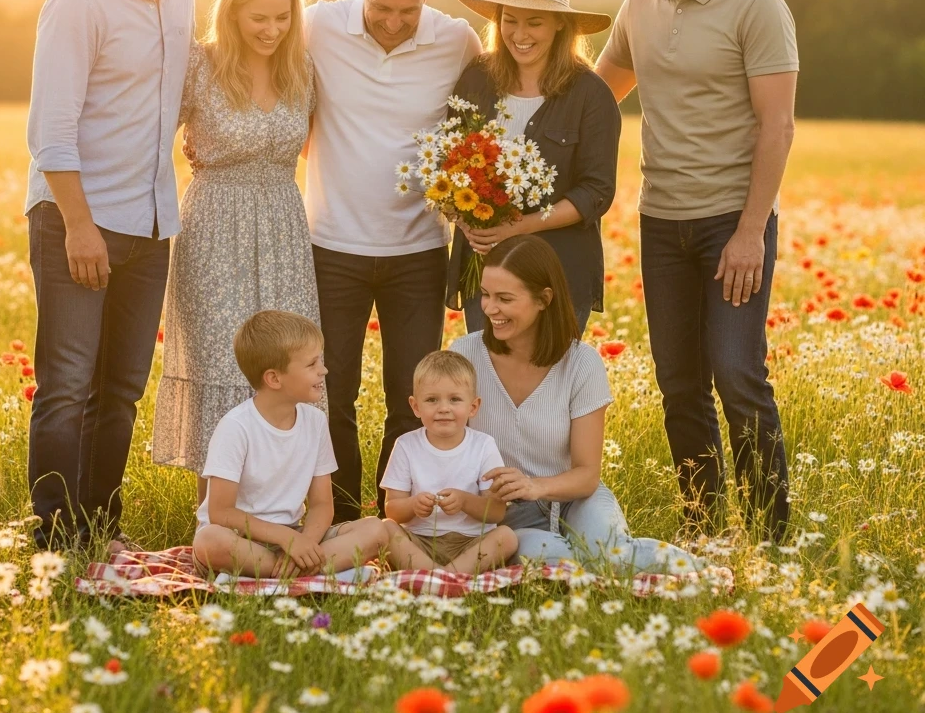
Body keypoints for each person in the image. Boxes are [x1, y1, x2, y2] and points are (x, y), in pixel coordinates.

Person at [595, 0, 796, 541]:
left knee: (737, 374)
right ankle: (702, 527)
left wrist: (748, 233)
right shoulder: (639, 6)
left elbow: (778, 127)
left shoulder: (756, 5)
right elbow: (599, 97)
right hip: (662, 222)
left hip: (730, 225)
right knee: (679, 383)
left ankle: (769, 536)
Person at [24, 0, 209, 551]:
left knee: (122, 389)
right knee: (68, 384)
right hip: (79, 218)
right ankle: (52, 535)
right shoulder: (81, 1)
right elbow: (50, 132)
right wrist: (78, 224)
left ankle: (100, 525)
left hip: (151, 222)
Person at [304, 0, 483, 521]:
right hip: (332, 244)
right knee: (331, 395)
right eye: (381, 7)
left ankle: (398, 520)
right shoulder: (318, 28)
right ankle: (343, 520)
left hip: (418, 252)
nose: (392, 21)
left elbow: (484, 125)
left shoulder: (457, 41)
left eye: (408, 10)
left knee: (416, 400)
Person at [153, 0, 320, 500]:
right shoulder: (200, 66)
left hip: (283, 228)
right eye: (259, 19)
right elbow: (148, 135)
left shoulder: (302, 69)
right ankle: (215, 514)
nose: (272, 31)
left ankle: (284, 506)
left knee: (288, 361)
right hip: (214, 227)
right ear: (233, 14)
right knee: (223, 362)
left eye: (282, 17)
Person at [449, 235, 704, 573]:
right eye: (486, 295)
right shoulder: (464, 355)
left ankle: (701, 571)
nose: (490, 309)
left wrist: (535, 486)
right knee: (556, 565)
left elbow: (586, 474)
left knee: (609, 559)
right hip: (501, 514)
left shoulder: (581, 363)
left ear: (544, 300)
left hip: (573, 500)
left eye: (505, 298)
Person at [448, 0, 621, 331]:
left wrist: (518, 227)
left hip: (556, 273)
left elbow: (596, 191)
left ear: (561, 24)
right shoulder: (477, 78)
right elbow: (450, 160)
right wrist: (462, 217)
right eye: (510, 19)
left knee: (549, 383)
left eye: (534, 21)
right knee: (489, 380)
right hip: (485, 271)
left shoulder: (590, 94)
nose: (519, 33)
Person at [192, 311, 390, 578]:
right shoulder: (236, 427)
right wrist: (285, 538)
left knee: (376, 530)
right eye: (312, 364)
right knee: (209, 542)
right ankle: (315, 572)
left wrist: (304, 542)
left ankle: (284, 571)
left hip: (296, 536)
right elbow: (220, 512)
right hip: (240, 538)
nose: (324, 369)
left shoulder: (316, 421)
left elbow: (322, 504)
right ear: (274, 379)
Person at [381, 350, 518, 573]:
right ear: (416, 406)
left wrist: (464, 501)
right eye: (432, 400)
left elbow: (496, 512)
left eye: (455, 399)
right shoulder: (406, 445)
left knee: (507, 537)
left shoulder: (483, 445)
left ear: (473, 407)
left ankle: (439, 578)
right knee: (385, 529)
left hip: (471, 543)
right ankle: (449, 578)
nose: (443, 408)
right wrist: (413, 505)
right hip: (419, 542)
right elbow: (392, 509)